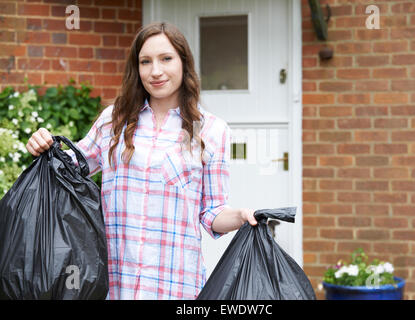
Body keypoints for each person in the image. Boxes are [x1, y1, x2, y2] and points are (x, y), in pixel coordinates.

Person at [26, 22, 257, 300]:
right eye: (145, 61)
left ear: (184, 63)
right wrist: (43, 144)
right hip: (113, 283)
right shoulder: (114, 120)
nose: (155, 71)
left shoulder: (211, 130)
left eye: (166, 59)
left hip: (175, 285)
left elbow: (211, 212)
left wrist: (241, 217)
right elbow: (70, 165)